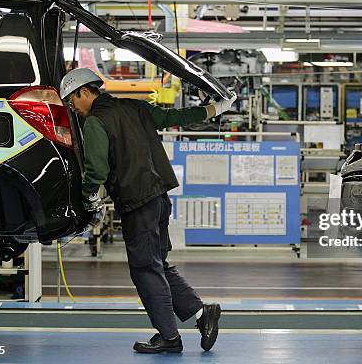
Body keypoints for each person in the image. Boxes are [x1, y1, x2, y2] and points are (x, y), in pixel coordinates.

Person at [60, 67, 235, 354]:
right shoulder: (134, 107)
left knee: (144, 268)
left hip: (137, 201)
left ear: (85, 91)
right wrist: (215, 108)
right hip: (159, 197)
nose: (73, 109)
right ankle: (202, 314)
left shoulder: (96, 121)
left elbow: (97, 169)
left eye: (72, 101)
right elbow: (172, 118)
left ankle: (169, 336)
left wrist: (89, 196)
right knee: (157, 263)